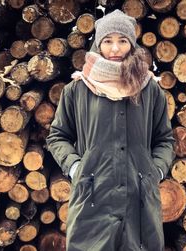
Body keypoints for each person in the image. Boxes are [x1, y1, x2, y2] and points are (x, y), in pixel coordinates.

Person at [46, 9, 175, 251]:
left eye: (122, 41)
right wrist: (76, 168)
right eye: (108, 41)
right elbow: (58, 136)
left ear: (132, 45)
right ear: (98, 44)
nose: (115, 49)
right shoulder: (77, 90)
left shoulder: (150, 89)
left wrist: (155, 171)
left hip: (139, 201)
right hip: (92, 200)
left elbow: (164, 139)